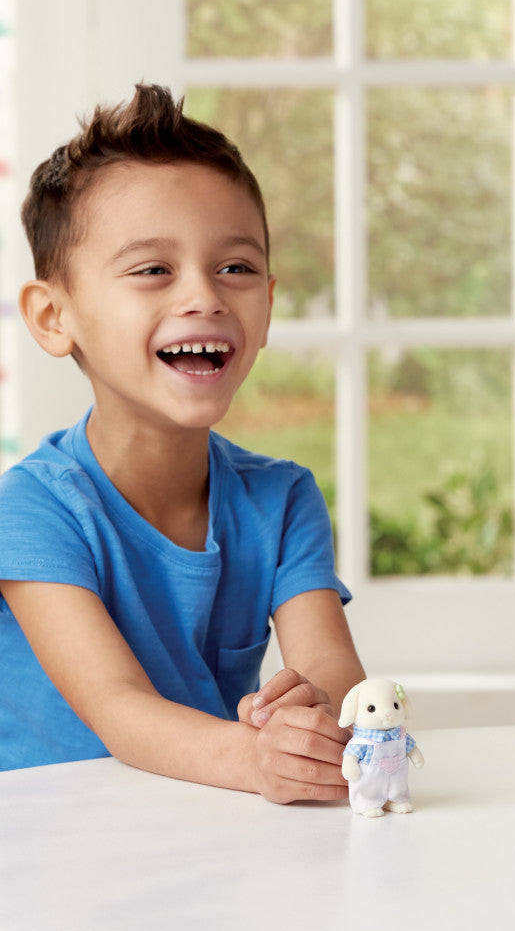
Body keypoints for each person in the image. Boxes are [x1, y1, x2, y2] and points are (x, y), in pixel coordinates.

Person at [0, 83, 367, 799]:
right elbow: (119, 709)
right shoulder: (29, 510)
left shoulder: (282, 498)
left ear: (267, 304)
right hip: (51, 849)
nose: (205, 296)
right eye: (152, 271)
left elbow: (332, 670)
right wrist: (258, 760)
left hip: (204, 827)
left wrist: (311, 716)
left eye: (236, 267)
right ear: (52, 317)